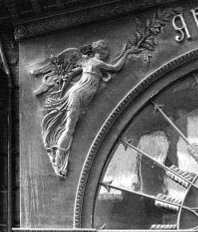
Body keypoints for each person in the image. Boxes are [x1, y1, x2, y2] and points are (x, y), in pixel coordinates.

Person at [41, 40, 140, 177]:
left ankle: (58, 158)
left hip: (78, 93)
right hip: (80, 94)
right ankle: (58, 160)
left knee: (69, 127)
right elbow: (116, 67)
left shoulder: (86, 61)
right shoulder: (97, 63)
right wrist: (127, 53)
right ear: (101, 51)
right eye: (107, 51)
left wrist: (62, 90)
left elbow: (69, 76)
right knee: (69, 128)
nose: (108, 54)